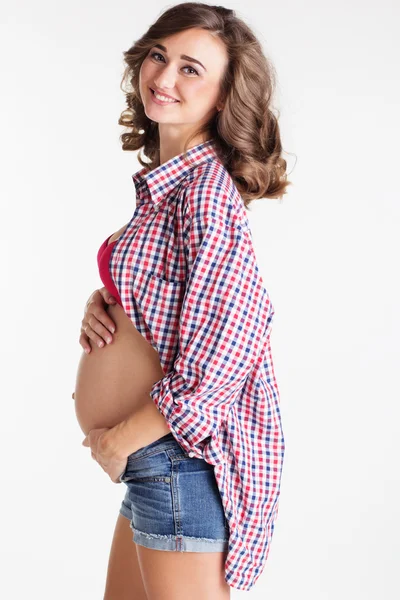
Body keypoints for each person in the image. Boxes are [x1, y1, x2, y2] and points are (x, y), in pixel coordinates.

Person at [76, 3, 290, 598]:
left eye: (191, 69)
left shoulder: (204, 194)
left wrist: (125, 435)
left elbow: (232, 344)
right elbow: (174, 304)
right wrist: (109, 304)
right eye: (158, 56)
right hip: (156, 464)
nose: (164, 78)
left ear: (223, 96)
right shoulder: (168, 190)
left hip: (175, 459)